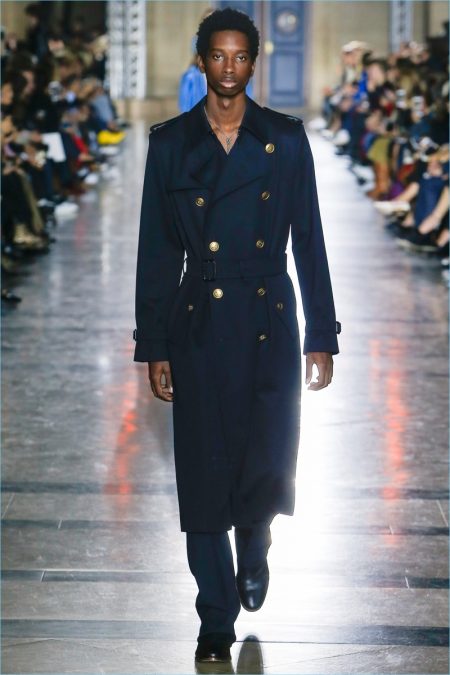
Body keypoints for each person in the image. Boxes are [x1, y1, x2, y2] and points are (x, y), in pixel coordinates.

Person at [133, 7, 341, 665]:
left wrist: (321, 332)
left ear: (255, 61)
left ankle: (256, 536)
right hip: (198, 318)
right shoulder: (171, 143)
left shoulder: (284, 139)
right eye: (217, 56)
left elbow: (309, 239)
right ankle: (215, 617)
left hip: (267, 316)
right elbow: (157, 251)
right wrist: (153, 343)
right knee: (201, 473)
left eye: (240, 56)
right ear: (201, 61)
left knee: (265, 453)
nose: (229, 67)